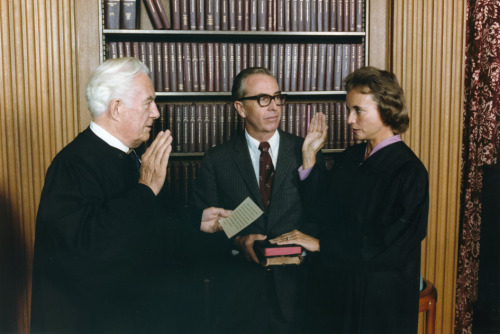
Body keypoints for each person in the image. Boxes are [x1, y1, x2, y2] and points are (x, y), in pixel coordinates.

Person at [30, 57, 229, 334]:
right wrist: (145, 189)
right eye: (148, 102)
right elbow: (88, 250)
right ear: (117, 109)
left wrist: (196, 220)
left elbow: (148, 230)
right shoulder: (73, 164)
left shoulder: (130, 157)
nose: (157, 113)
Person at [270, 66, 429, 333]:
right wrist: (309, 156)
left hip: (377, 299)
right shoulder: (351, 158)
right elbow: (322, 212)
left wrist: (322, 245)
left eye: (358, 111)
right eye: (349, 110)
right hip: (341, 285)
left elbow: (388, 245)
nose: (349, 120)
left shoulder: (408, 171)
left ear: (387, 109)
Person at [189, 67, 324, 334]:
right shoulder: (217, 160)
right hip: (239, 299)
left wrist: (310, 161)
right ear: (240, 108)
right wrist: (239, 241)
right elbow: (201, 231)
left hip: (296, 294)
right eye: (263, 99)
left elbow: (321, 215)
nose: (274, 106)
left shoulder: (305, 149)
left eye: (277, 97)